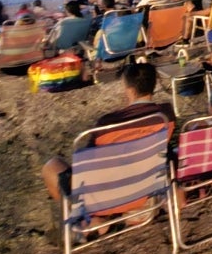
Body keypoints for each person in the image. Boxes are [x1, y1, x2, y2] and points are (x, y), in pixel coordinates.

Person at [40, 62, 175, 202]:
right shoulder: (166, 115)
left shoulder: (107, 124)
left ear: (129, 90)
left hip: (108, 197)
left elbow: (89, 165)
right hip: (146, 186)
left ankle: (80, 218)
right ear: (153, 86)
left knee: (52, 166)